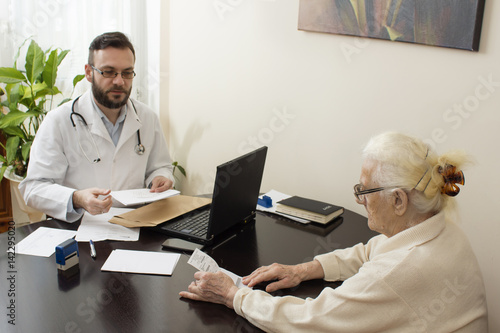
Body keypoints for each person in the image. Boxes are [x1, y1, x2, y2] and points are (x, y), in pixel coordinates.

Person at [180, 132, 488, 332]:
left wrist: (234, 294)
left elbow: (311, 321)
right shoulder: (439, 230)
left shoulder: (400, 273)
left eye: (364, 190)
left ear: (398, 200)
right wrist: (304, 270)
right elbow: (373, 249)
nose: (359, 199)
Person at [19, 32, 175, 222]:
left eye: (127, 72)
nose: (119, 81)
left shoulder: (147, 118)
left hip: (135, 226)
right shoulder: (59, 120)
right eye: (108, 72)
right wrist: (76, 198)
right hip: (80, 230)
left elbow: (161, 166)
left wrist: (160, 177)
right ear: (88, 72)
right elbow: (34, 188)